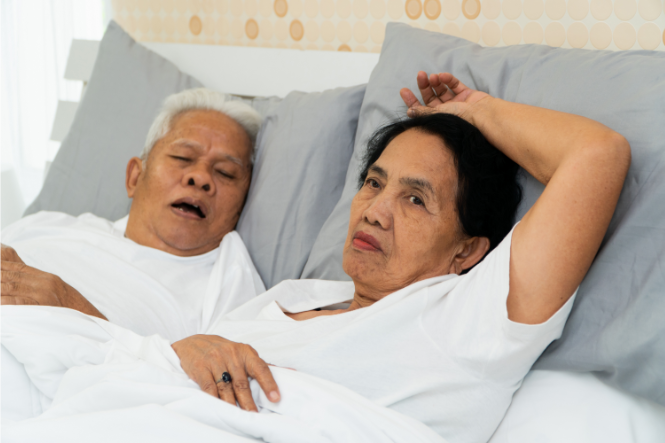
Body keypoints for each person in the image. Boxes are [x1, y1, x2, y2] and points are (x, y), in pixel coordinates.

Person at [168, 73, 631, 442]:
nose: (374, 211)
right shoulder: (294, 294)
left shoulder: (468, 319)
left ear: (466, 250)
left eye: (414, 199)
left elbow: (597, 154)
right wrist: (184, 350)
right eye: (374, 182)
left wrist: (477, 111)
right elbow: (169, 368)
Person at [0, 88, 265, 343]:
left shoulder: (227, 287)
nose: (201, 177)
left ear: (240, 206)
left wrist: (70, 306)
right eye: (183, 158)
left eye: (225, 172)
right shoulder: (45, 225)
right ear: (135, 177)